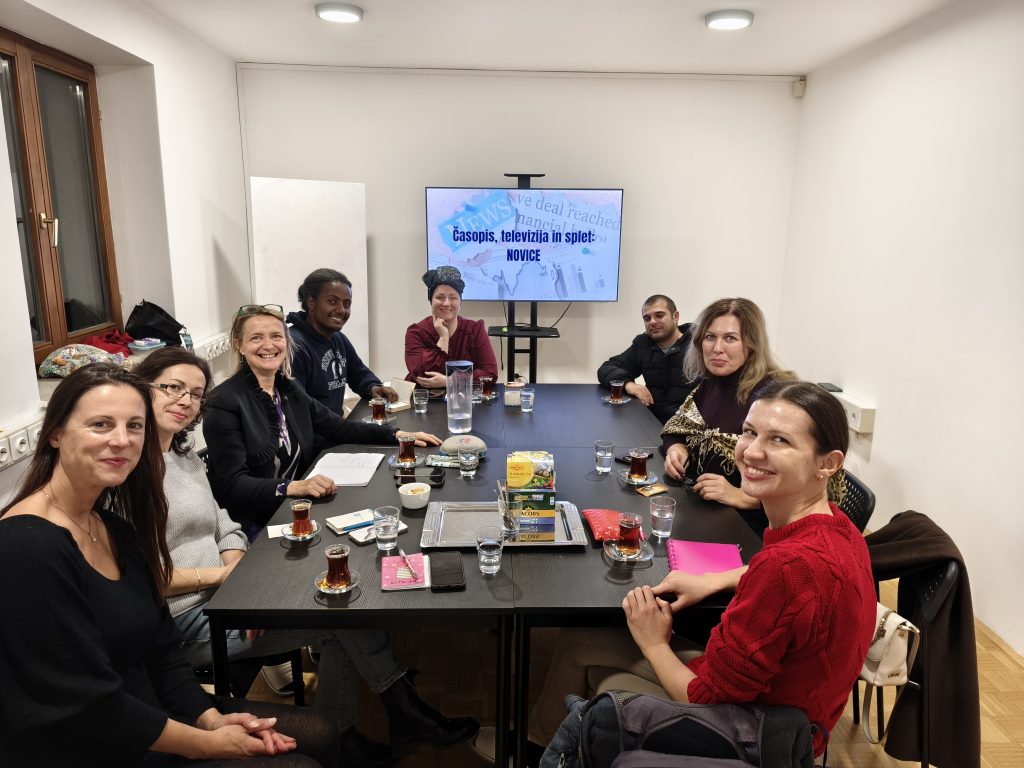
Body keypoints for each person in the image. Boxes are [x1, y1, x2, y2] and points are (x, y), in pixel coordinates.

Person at [135, 347, 479, 767]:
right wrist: (225, 580)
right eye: (172, 388)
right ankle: (393, 716)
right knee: (338, 616)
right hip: (182, 621)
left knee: (342, 602)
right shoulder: (127, 473)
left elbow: (222, 520)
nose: (185, 400)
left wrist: (235, 568)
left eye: (194, 393)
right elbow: (140, 580)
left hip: (227, 589)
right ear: (141, 388)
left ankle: (357, 730)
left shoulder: (181, 453)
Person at [0, 364, 339, 767]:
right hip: (92, 743)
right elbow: (85, 703)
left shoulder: (113, 527)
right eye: (101, 424)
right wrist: (207, 744)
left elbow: (162, 651)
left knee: (322, 733)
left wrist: (210, 719)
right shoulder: (25, 546)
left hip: (149, 710)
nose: (121, 440)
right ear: (55, 433)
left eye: (134, 426)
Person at [535, 381, 877, 761]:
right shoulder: (840, 530)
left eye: (780, 440)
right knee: (578, 639)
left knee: (602, 661)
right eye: (749, 432)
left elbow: (703, 698)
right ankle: (548, 746)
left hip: (757, 736)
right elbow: (798, 583)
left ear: (827, 464)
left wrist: (654, 642)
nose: (752, 451)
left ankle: (564, 749)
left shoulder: (785, 568)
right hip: (796, 721)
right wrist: (713, 579)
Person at [203, 303, 441, 536]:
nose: (268, 345)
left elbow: (337, 427)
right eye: (256, 338)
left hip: (297, 508)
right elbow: (234, 485)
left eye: (276, 336)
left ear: (286, 342)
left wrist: (397, 435)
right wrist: (294, 487)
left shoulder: (288, 388)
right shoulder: (223, 402)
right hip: (256, 523)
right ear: (240, 345)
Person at [660, 297, 798, 537]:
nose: (717, 348)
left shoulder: (776, 397)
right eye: (710, 337)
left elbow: (800, 481)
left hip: (751, 528)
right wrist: (677, 448)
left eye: (730, 338)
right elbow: (679, 427)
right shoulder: (711, 383)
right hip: (703, 510)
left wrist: (743, 496)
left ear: (752, 344)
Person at [287, 269, 397, 416]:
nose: (341, 310)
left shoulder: (338, 338)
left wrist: (373, 387)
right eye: (332, 301)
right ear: (311, 302)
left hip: (336, 427)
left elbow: (358, 373)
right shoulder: (294, 345)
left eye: (347, 304)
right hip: (315, 430)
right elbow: (299, 408)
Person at [597, 294, 695, 423]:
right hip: (650, 422)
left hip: (688, 427)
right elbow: (606, 368)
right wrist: (628, 384)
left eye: (659, 315)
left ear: (675, 316)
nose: (652, 322)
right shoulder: (643, 344)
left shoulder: (698, 344)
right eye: (647, 318)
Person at [404, 266, 499, 388]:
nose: (446, 303)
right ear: (431, 300)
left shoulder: (474, 329)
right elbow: (424, 377)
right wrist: (443, 338)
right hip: (424, 397)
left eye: (453, 297)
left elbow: (490, 374)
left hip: (464, 398)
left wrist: (450, 380)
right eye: (440, 297)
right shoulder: (416, 333)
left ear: (460, 302)